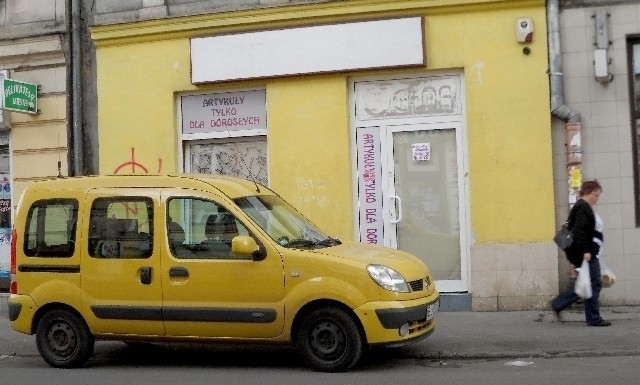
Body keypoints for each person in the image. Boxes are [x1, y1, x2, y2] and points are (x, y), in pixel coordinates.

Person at [551, 180, 610, 326]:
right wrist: (587, 251)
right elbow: (582, 232)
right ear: (588, 193)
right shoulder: (583, 208)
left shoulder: (580, 206)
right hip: (585, 252)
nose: (597, 198)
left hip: (581, 252)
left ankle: (559, 303)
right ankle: (593, 318)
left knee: (587, 283)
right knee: (594, 283)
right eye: (596, 195)